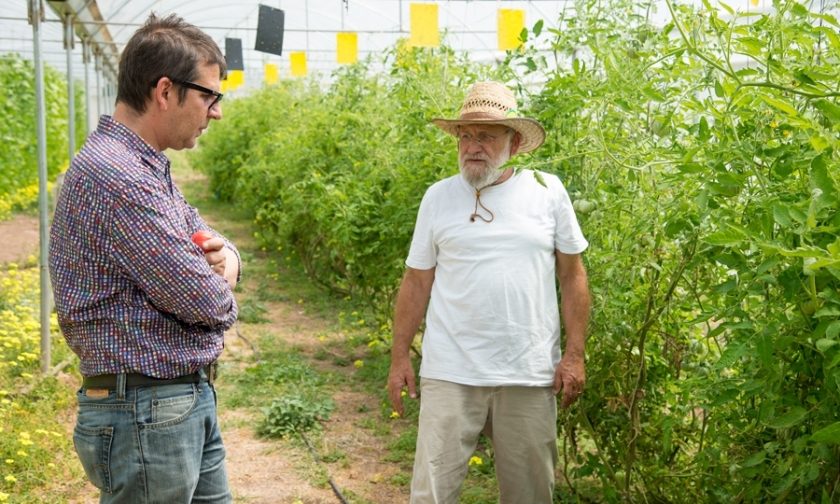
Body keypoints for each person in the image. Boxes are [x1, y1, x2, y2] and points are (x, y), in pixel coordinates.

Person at [49, 13, 239, 504]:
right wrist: (222, 281)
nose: (215, 111)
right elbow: (207, 302)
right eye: (208, 96)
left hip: (168, 404)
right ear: (164, 91)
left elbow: (201, 231)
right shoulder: (119, 177)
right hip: (146, 412)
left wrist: (229, 257)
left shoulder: (142, 165)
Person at [387, 81, 591, 503]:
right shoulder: (438, 197)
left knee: (530, 494)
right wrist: (399, 356)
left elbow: (572, 275)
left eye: (486, 135)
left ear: (514, 143)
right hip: (450, 370)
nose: (472, 145)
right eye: (465, 135)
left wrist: (574, 355)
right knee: (431, 493)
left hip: (529, 372)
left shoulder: (547, 192)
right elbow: (416, 281)